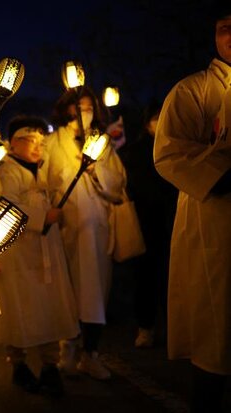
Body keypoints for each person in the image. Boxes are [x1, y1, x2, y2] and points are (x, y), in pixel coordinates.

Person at [153, 3, 231, 411]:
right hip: (212, 221)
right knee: (216, 329)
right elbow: (168, 153)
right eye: (224, 27)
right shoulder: (192, 90)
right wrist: (221, 174)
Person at [0, 115, 80, 397]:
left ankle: (50, 365)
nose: (38, 146)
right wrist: (43, 216)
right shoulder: (6, 171)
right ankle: (18, 364)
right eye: (31, 140)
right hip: (19, 255)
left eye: (41, 141)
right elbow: (8, 206)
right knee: (20, 306)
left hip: (46, 253)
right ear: (13, 142)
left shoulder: (39, 172)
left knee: (50, 305)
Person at [44, 85, 126, 380]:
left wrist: (96, 172)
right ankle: (67, 347)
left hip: (97, 227)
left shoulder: (102, 143)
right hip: (66, 227)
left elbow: (117, 183)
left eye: (90, 108)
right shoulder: (53, 142)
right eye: (79, 107)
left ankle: (90, 353)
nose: (84, 113)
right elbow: (44, 180)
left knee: (95, 291)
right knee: (68, 291)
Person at [119, 102, 177, 348]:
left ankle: (175, 328)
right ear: (146, 122)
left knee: (173, 279)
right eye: (155, 118)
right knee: (145, 278)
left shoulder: (176, 147)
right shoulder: (136, 151)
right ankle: (146, 327)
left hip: (172, 221)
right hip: (144, 222)